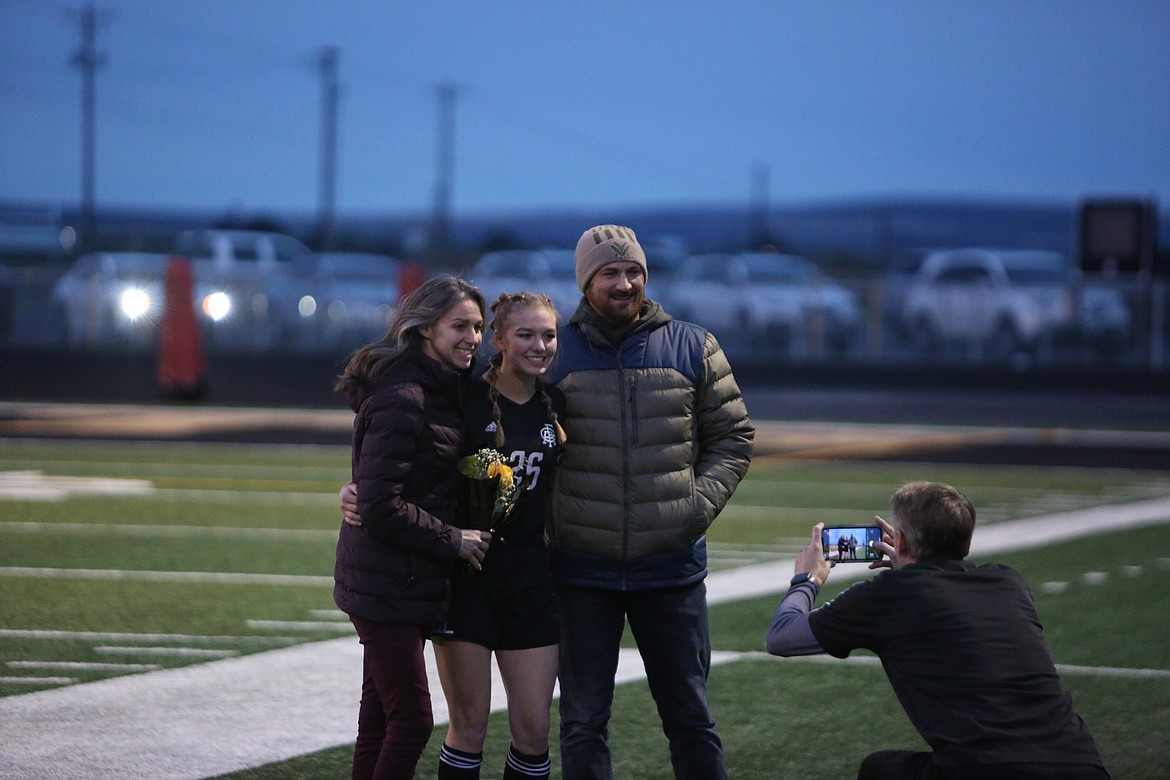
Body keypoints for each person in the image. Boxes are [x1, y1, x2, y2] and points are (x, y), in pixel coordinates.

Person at [545, 224, 755, 780]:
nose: (624, 282)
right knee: (583, 721)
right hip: (580, 569)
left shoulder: (694, 345)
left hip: (671, 568)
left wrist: (693, 507)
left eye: (633, 270)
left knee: (691, 718)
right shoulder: (552, 350)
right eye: (609, 273)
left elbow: (733, 438)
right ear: (586, 282)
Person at [766, 481, 1110, 780]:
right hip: (1083, 764)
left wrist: (807, 579)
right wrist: (908, 561)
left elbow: (782, 636)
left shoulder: (891, 593)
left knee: (880, 770)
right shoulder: (1009, 581)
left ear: (899, 541)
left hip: (988, 770)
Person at [333, 274, 493, 780]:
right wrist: (454, 540)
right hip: (387, 581)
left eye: (479, 327)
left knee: (380, 717)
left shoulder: (445, 386)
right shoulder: (406, 395)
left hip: (402, 580)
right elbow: (380, 505)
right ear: (425, 329)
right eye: (460, 326)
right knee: (412, 720)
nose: (473, 337)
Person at [431, 291, 567, 780]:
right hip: (466, 578)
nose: (540, 346)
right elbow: (407, 450)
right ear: (499, 340)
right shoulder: (462, 398)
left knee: (533, 732)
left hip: (531, 576)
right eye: (526, 335)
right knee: (468, 727)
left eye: (548, 335)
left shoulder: (559, 407)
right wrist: (359, 484)